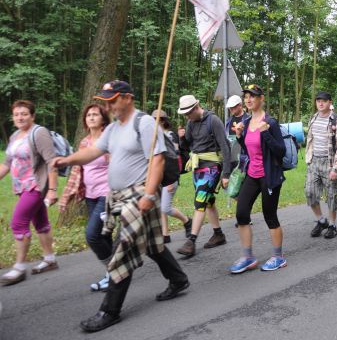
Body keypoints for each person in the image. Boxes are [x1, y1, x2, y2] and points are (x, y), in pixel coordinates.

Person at [52, 80, 189, 332]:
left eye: (113, 99)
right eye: (106, 100)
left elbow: (157, 160)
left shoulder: (144, 122)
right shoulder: (113, 129)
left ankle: (109, 311)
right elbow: (93, 152)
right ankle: (178, 279)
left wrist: (149, 195)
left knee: (121, 249)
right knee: (151, 245)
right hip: (119, 196)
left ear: (128, 97)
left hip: (140, 194)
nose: (109, 105)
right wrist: (67, 159)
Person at [229, 84, 287, 273]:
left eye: (252, 96)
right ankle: (247, 257)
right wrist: (239, 136)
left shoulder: (270, 122)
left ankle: (278, 257)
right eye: (246, 96)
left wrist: (266, 133)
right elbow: (249, 150)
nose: (248, 99)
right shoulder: (245, 122)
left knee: (269, 215)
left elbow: (280, 151)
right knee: (241, 214)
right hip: (252, 174)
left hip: (269, 175)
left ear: (261, 98)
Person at [0, 100, 59, 286]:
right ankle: (50, 259)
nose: (20, 117)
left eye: (24, 113)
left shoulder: (39, 133)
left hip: (35, 186)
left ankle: (19, 267)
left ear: (32, 116)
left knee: (18, 224)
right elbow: (7, 163)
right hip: (20, 187)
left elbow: (52, 161)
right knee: (40, 222)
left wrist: (52, 190)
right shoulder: (15, 135)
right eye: (17, 114)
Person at [60, 104, 113, 291]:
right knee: (103, 234)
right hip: (90, 195)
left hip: (107, 194)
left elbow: (117, 165)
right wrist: (66, 196)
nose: (91, 117)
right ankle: (113, 274)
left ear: (103, 119)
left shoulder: (109, 140)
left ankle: (114, 272)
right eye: (88, 115)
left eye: (95, 115)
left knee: (92, 235)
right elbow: (77, 171)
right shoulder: (84, 142)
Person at [176, 94, 231, 257]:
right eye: (184, 114)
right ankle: (218, 234)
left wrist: (226, 174)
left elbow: (226, 147)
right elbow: (186, 146)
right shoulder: (191, 123)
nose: (187, 116)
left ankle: (191, 241)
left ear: (196, 107)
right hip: (197, 167)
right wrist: (181, 139)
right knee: (208, 202)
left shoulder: (213, 121)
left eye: (188, 113)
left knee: (200, 202)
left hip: (212, 167)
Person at [304, 91, 337, 239]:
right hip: (314, 162)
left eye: (324, 101)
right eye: (318, 101)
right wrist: (308, 158)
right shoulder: (313, 118)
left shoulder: (336, 121)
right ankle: (322, 220)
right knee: (310, 193)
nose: (320, 103)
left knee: (331, 197)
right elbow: (310, 140)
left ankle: (332, 225)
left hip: (329, 164)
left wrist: (336, 168)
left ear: (329, 102)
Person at [151, 109, 192, 244]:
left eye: (155, 120)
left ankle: (187, 221)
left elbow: (174, 159)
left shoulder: (170, 136)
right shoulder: (154, 136)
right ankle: (165, 234)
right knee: (161, 206)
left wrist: (171, 180)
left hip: (170, 177)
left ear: (162, 121)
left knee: (165, 208)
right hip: (159, 177)